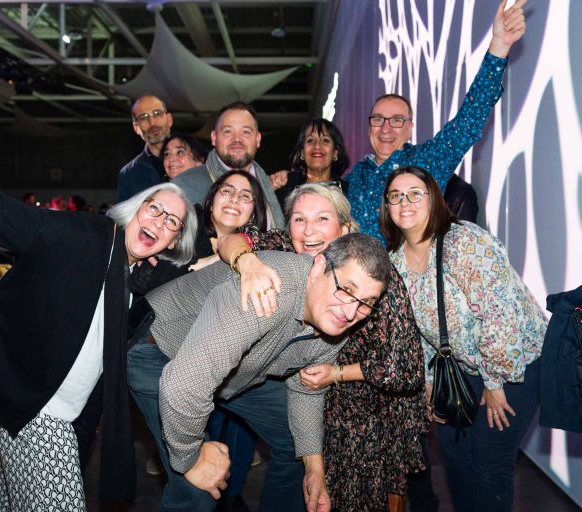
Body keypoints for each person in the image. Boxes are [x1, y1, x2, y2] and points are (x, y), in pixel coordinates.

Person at [0, 139, 198, 510]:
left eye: (172, 222)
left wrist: (244, 259)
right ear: (134, 209)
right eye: (154, 208)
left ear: (173, 240)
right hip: (36, 410)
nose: (159, 221)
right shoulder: (83, 237)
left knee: (5, 503)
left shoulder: (137, 277)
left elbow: (205, 257)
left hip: (57, 412)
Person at [128, 233, 390, 512]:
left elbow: (306, 385)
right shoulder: (267, 290)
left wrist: (314, 466)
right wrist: (190, 460)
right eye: (346, 289)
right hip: (156, 348)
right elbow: (184, 386)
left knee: (297, 443)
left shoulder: (337, 316)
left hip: (235, 368)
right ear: (317, 267)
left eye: (365, 302)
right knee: (200, 489)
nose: (351, 312)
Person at [218, 183, 427, 511]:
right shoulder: (291, 247)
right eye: (299, 219)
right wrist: (247, 262)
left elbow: (406, 369)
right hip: (307, 394)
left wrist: (337, 374)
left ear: (344, 229)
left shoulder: (372, 270)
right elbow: (234, 238)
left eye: (322, 219)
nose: (309, 230)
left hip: (365, 409)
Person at [379, 166, 546, 511]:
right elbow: (416, 330)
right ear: (387, 208)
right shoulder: (394, 262)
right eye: (396, 196)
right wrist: (427, 382)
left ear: (434, 200)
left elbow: (502, 312)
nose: (404, 202)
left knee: (487, 463)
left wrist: (494, 380)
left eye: (415, 193)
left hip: (513, 365)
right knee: (455, 459)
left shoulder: (464, 240)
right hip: (455, 372)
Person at [130, 170, 267, 506]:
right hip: (155, 351)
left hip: (217, 362)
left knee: (289, 430)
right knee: (195, 479)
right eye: (226, 190)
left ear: (255, 211)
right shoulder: (180, 234)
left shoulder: (260, 251)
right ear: (211, 199)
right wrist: (191, 265)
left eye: (245, 195)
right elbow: (138, 286)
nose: (234, 199)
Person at [346, 0, 527, 239]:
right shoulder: (355, 175)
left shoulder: (428, 161)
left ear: (410, 128)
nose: (386, 128)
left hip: (409, 273)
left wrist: (499, 46)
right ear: (369, 126)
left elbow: (469, 120)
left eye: (397, 120)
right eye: (378, 119)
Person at [171, 101, 285, 229]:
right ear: (214, 138)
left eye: (246, 132)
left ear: (257, 140)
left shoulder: (271, 188)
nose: (237, 139)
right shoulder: (184, 187)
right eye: (228, 131)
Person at [271, 118, 350, 209]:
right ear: (302, 152)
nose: (317, 146)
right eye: (310, 140)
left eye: (325, 140)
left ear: (335, 153)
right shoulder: (285, 185)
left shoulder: (348, 192)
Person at [117, 94, 174, 201]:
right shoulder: (130, 174)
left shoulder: (195, 159)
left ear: (169, 119)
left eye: (157, 114)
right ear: (136, 128)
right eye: (143, 118)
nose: (152, 123)